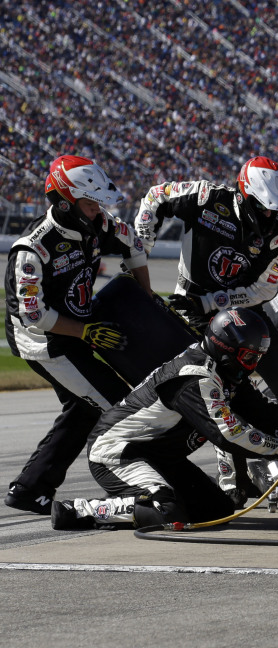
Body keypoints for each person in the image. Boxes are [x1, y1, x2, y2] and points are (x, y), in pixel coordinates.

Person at [133, 156, 278, 504]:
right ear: (244, 193)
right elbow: (155, 197)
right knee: (223, 392)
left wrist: (215, 300)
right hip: (190, 307)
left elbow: (266, 289)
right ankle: (234, 482)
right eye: (262, 207)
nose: (269, 216)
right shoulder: (205, 196)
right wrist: (140, 253)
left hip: (245, 313)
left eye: (275, 209)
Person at [51, 308, 278, 530]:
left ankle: (137, 499)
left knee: (217, 509)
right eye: (250, 358)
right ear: (227, 348)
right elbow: (228, 434)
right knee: (167, 513)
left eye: (258, 359)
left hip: (159, 457)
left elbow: (262, 411)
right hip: (118, 453)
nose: (253, 366)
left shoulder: (224, 372)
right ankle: (80, 510)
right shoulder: (195, 378)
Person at [4, 155, 152, 515]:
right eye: (89, 204)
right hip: (43, 341)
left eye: (99, 204)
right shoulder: (32, 249)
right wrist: (85, 331)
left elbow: (133, 243)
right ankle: (130, 488)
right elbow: (33, 314)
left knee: (84, 409)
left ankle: (30, 489)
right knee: (117, 404)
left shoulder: (99, 225)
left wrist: (147, 299)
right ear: (65, 202)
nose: (98, 212)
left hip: (77, 330)